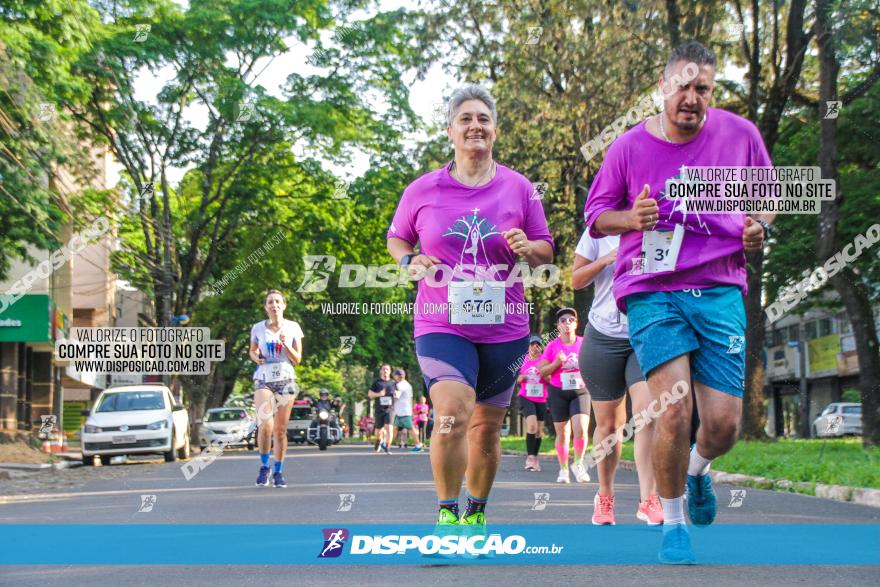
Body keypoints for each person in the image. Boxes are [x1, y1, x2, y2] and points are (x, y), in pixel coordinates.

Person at [584, 41, 773, 564]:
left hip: (719, 287)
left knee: (722, 425)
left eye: (702, 89)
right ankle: (673, 524)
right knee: (673, 410)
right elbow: (597, 214)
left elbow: (768, 199)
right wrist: (631, 219)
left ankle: (695, 472)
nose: (691, 98)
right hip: (652, 288)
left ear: (712, 91)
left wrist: (758, 228)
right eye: (682, 87)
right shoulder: (627, 147)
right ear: (663, 89)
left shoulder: (741, 135)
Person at [387, 83, 554, 533]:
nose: (475, 126)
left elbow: (546, 249)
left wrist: (529, 247)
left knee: (485, 427)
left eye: (483, 119)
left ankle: (475, 513)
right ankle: (446, 512)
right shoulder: (423, 189)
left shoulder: (520, 188)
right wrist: (408, 259)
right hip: (442, 321)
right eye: (466, 119)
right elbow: (397, 236)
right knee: (451, 413)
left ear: (495, 130)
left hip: (505, 326)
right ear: (451, 130)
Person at [574, 229, 663, 526]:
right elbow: (576, 280)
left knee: (647, 414)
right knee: (610, 426)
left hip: (645, 334)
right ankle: (605, 496)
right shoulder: (598, 231)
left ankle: (648, 499)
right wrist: (608, 259)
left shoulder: (661, 227)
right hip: (603, 338)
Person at [249, 289, 303, 488]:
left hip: (286, 379)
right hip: (263, 378)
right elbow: (252, 351)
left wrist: (285, 345)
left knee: (280, 430)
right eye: (270, 302)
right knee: (266, 426)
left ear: (284, 305)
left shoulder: (293, 327)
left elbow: (298, 359)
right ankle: (264, 467)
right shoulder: (257, 328)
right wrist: (256, 357)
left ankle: (278, 471)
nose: (274, 305)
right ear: (266, 307)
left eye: (278, 302)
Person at [538, 308, 590, 484]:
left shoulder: (584, 343)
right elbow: (541, 371)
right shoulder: (552, 346)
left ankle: (578, 464)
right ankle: (563, 469)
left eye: (571, 319)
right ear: (558, 325)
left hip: (581, 391)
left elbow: (595, 365)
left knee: (581, 428)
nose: (567, 323)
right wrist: (556, 363)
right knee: (563, 432)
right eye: (563, 320)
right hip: (558, 392)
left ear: (576, 324)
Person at [516, 335, 548, 471]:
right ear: (528, 347)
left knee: (539, 431)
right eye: (532, 345)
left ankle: (535, 457)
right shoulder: (522, 360)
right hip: (526, 396)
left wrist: (544, 374)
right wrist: (521, 378)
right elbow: (515, 379)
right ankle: (530, 458)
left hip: (541, 398)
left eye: (537, 345)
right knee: (532, 426)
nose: (535, 347)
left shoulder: (545, 361)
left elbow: (551, 378)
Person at [392, 368, 424, 451]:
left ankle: (418, 445)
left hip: (403, 412)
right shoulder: (407, 384)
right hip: (401, 411)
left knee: (411, 428)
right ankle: (386, 444)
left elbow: (395, 396)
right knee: (394, 428)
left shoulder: (400, 385)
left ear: (397, 376)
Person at [368, 364, 396, 454]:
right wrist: (379, 394)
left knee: (389, 427)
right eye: (383, 369)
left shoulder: (393, 383)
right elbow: (370, 394)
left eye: (387, 369)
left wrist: (397, 395)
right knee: (378, 432)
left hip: (390, 409)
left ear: (390, 371)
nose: (385, 371)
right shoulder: (377, 382)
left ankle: (387, 447)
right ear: (380, 371)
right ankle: (379, 440)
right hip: (379, 409)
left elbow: (397, 393)